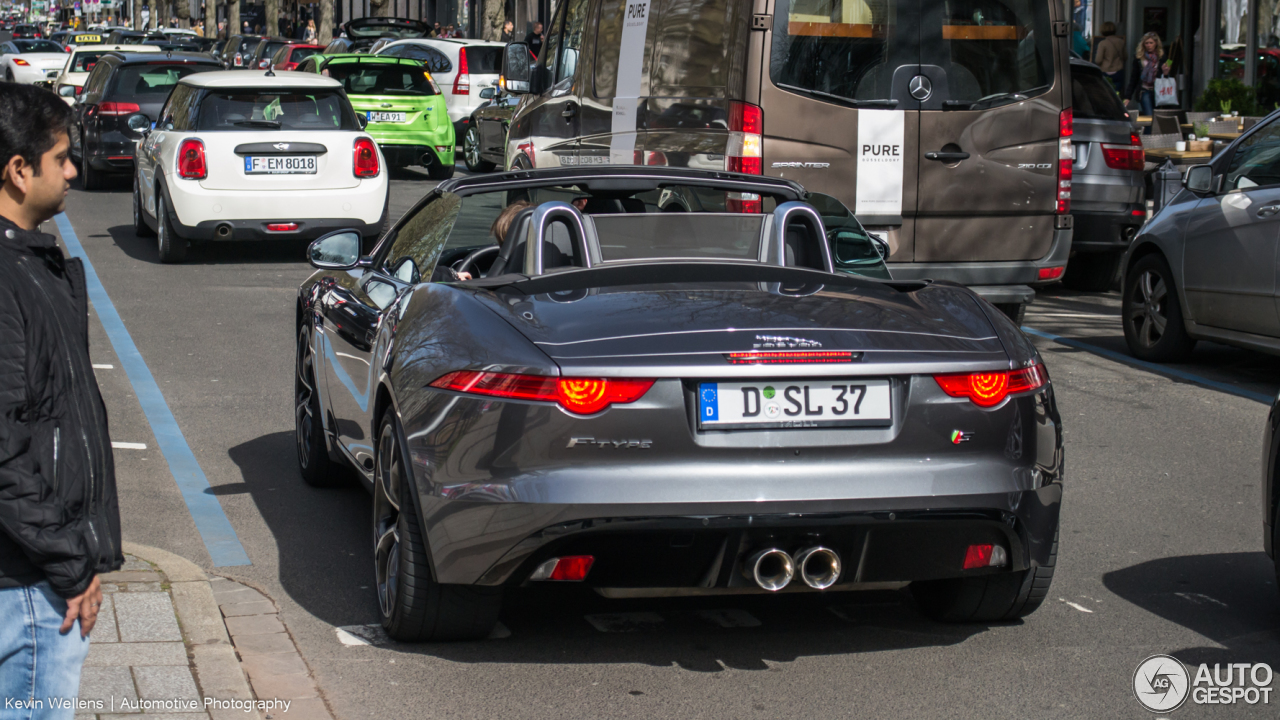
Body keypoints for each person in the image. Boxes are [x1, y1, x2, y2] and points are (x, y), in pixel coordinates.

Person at [0, 83, 122, 720]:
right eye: (61, 157)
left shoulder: (28, 262)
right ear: (19, 171)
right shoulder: (7, 274)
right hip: (27, 581)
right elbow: (4, 447)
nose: (74, 170)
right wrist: (69, 563)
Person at [1126, 32, 1168, 120]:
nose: (1149, 45)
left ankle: (1153, 133)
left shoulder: (1162, 56)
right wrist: (1128, 96)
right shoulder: (1139, 58)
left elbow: (1168, 73)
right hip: (1144, 90)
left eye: (1151, 43)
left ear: (1156, 43)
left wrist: (1166, 72)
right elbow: (1134, 77)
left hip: (1158, 91)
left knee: (1157, 118)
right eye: (1146, 43)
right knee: (1149, 116)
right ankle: (1148, 134)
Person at [1092, 21, 1125, 92]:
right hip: (1118, 71)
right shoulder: (1121, 42)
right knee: (1117, 94)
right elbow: (1125, 57)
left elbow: (1098, 60)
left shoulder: (1102, 43)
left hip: (1105, 71)